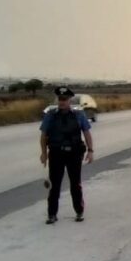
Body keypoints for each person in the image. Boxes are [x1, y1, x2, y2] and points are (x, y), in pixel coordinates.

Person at [39, 86, 94, 224]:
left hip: (74, 153)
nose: (62, 101)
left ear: (69, 100)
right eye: (60, 99)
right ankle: (52, 214)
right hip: (56, 153)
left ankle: (79, 211)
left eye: (64, 99)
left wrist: (90, 151)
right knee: (54, 186)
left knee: (75, 184)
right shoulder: (50, 115)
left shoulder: (78, 115)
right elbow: (43, 135)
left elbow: (86, 133)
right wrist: (44, 154)